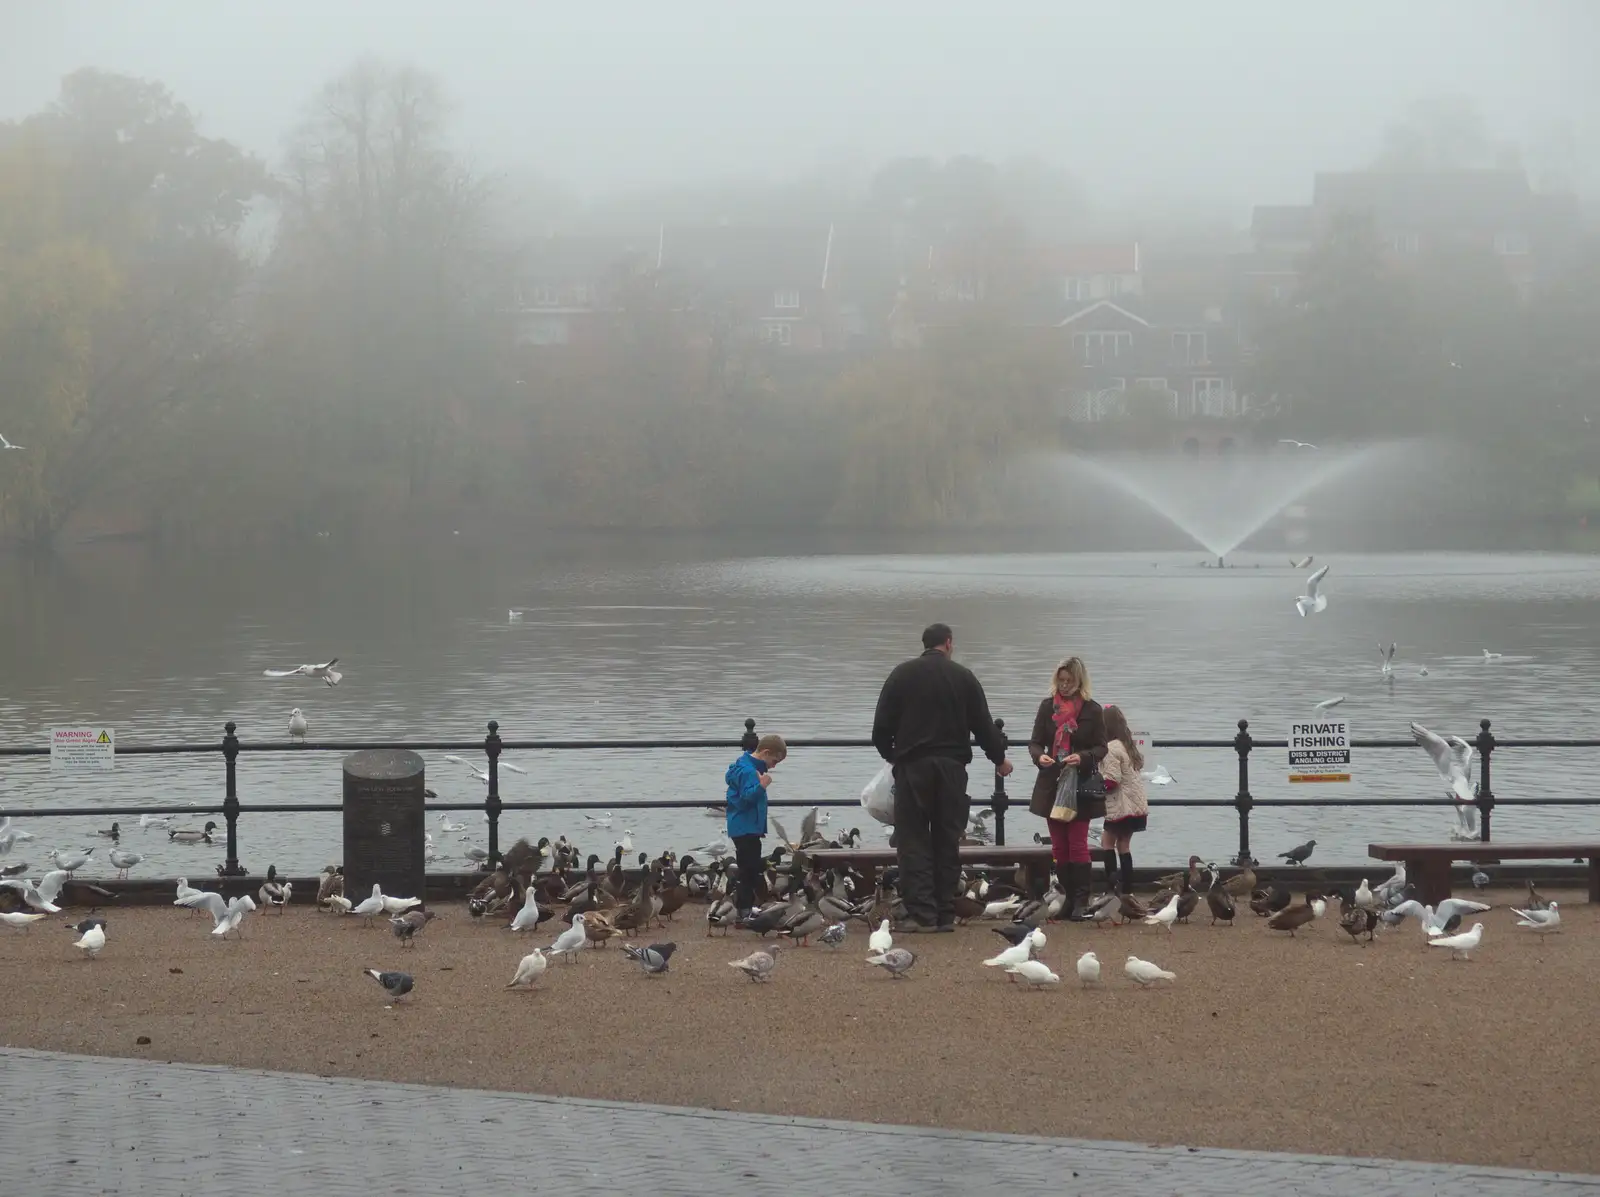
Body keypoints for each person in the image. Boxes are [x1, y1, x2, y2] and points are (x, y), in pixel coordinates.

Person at [872, 623, 1012, 932]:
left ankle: (922, 914)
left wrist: (893, 756)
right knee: (947, 841)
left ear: (924, 644)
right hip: (951, 769)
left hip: (913, 768)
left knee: (913, 840)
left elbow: (880, 728)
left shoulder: (902, 675)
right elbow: (984, 726)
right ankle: (945, 911)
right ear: (948, 644)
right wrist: (999, 760)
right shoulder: (964, 678)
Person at [1027, 656, 1107, 920]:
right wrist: (1040, 757)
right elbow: (1035, 742)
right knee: (1059, 846)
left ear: (1079, 681)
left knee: (1077, 843)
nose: (1063, 686)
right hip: (1052, 782)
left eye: (1069, 681)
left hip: (1079, 785)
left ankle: (1081, 900)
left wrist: (1082, 757)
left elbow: (1101, 747)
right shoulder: (1046, 707)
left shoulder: (1092, 710)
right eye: (1060, 681)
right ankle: (1068, 898)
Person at [724, 733, 787, 917]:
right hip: (746, 827)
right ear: (765, 752)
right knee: (749, 870)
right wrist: (762, 786)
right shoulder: (750, 772)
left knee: (749, 867)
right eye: (774, 761)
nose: (773, 766)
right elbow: (746, 799)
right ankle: (744, 910)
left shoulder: (744, 766)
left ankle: (745, 906)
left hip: (744, 827)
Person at [1097, 704, 1149, 894]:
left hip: (1120, 806)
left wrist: (1095, 786)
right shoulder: (1130, 745)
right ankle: (1127, 889)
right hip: (1136, 806)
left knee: (1107, 843)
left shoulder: (1111, 748)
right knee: (1124, 845)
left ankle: (1111, 889)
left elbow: (1112, 780)